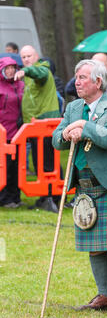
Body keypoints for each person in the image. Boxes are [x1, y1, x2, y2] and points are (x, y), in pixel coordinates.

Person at [52, 59, 107, 314]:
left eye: (82, 77)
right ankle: (105, 295)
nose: (76, 82)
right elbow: (56, 139)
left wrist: (84, 127)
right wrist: (67, 133)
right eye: (77, 77)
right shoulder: (73, 108)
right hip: (85, 186)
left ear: (98, 82)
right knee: (95, 243)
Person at [14, 45, 61, 212]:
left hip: (45, 125)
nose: (26, 59)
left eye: (29, 56)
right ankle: (45, 197)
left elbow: (37, 74)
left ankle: (53, 198)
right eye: (23, 57)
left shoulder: (42, 70)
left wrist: (25, 71)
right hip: (34, 126)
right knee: (39, 162)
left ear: (36, 56)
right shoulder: (27, 74)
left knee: (48, 162)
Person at [0, 57, 24, 207]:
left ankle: (15, 197)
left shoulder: (21, 85)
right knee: (5, 167)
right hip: (3, 133)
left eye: (13, 68)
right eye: (7, 68)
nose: (10, 71)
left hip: (19, 133)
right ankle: (4, 198)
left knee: (17, 167)